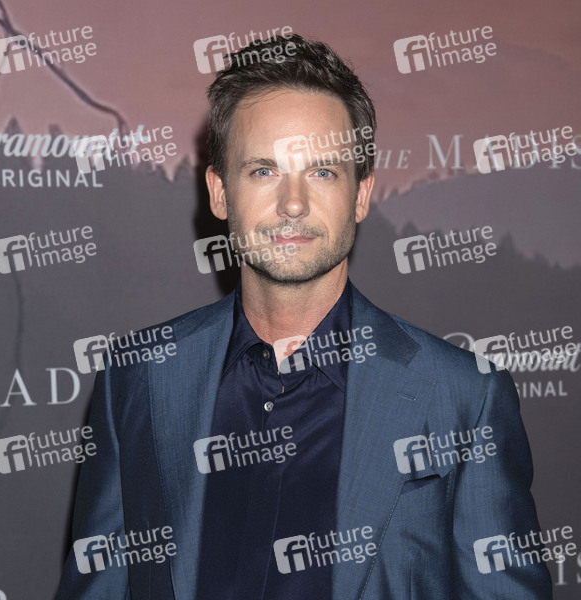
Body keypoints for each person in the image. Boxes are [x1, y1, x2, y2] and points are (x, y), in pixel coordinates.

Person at [57, 33, 552, 600]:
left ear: (360, 195)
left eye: (322, 172)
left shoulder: (463, 398)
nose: (293, 203)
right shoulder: (141, 375)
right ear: (219, 192)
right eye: (264, 170)